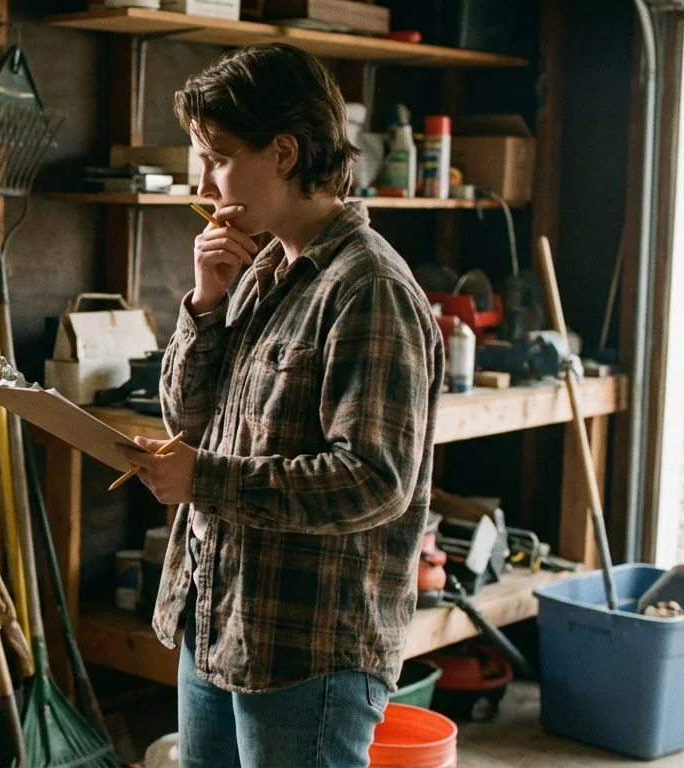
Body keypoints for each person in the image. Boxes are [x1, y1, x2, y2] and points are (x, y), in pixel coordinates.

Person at [115, 43, 444, 767]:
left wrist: (204, 479)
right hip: (219, 613)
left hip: (308, 647)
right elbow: (185, 417)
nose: (203, 183)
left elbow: (374, 481)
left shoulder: (370, 290)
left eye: (219, 156)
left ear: (286, 153)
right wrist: (204, 302)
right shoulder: (260, 266)